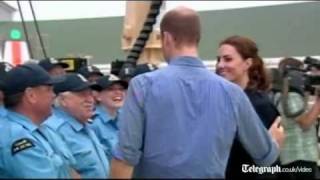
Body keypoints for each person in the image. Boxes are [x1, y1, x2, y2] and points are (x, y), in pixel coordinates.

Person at [110, 7, 282, 178]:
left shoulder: (143, 86)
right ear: (197, 39)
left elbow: (125, 157)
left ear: (167, 38)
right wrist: (273, 142)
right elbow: (265, 157)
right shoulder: (233, 93)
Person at [215, 35, 284, 179]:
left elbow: (270, 166)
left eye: (228, 59)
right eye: (218, 60)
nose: (220, 65)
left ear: (247, 64)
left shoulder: (260, 105)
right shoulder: (220, 101)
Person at [0, 63, 75, 178]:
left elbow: (70, 170)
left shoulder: (42, 128)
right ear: (31, 95)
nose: (54, 95)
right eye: (49, 90)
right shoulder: (16, 137)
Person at [43, 73, 109, 178]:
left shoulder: (84, 124)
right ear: (63, 100)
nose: (90, 100)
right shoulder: (54, 130)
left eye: (90, 94)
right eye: (82, 95)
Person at [274, 57, 320, 179]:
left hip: (294, 157)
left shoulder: (284, 95)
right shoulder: (291, 97)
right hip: (299, 156)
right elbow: (305, 123)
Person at [89, 74, 128, 160]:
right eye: (110, 89)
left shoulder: (127, 119)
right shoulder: (93, 124)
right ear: (98, 96)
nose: (118, 92)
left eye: (121, 89)